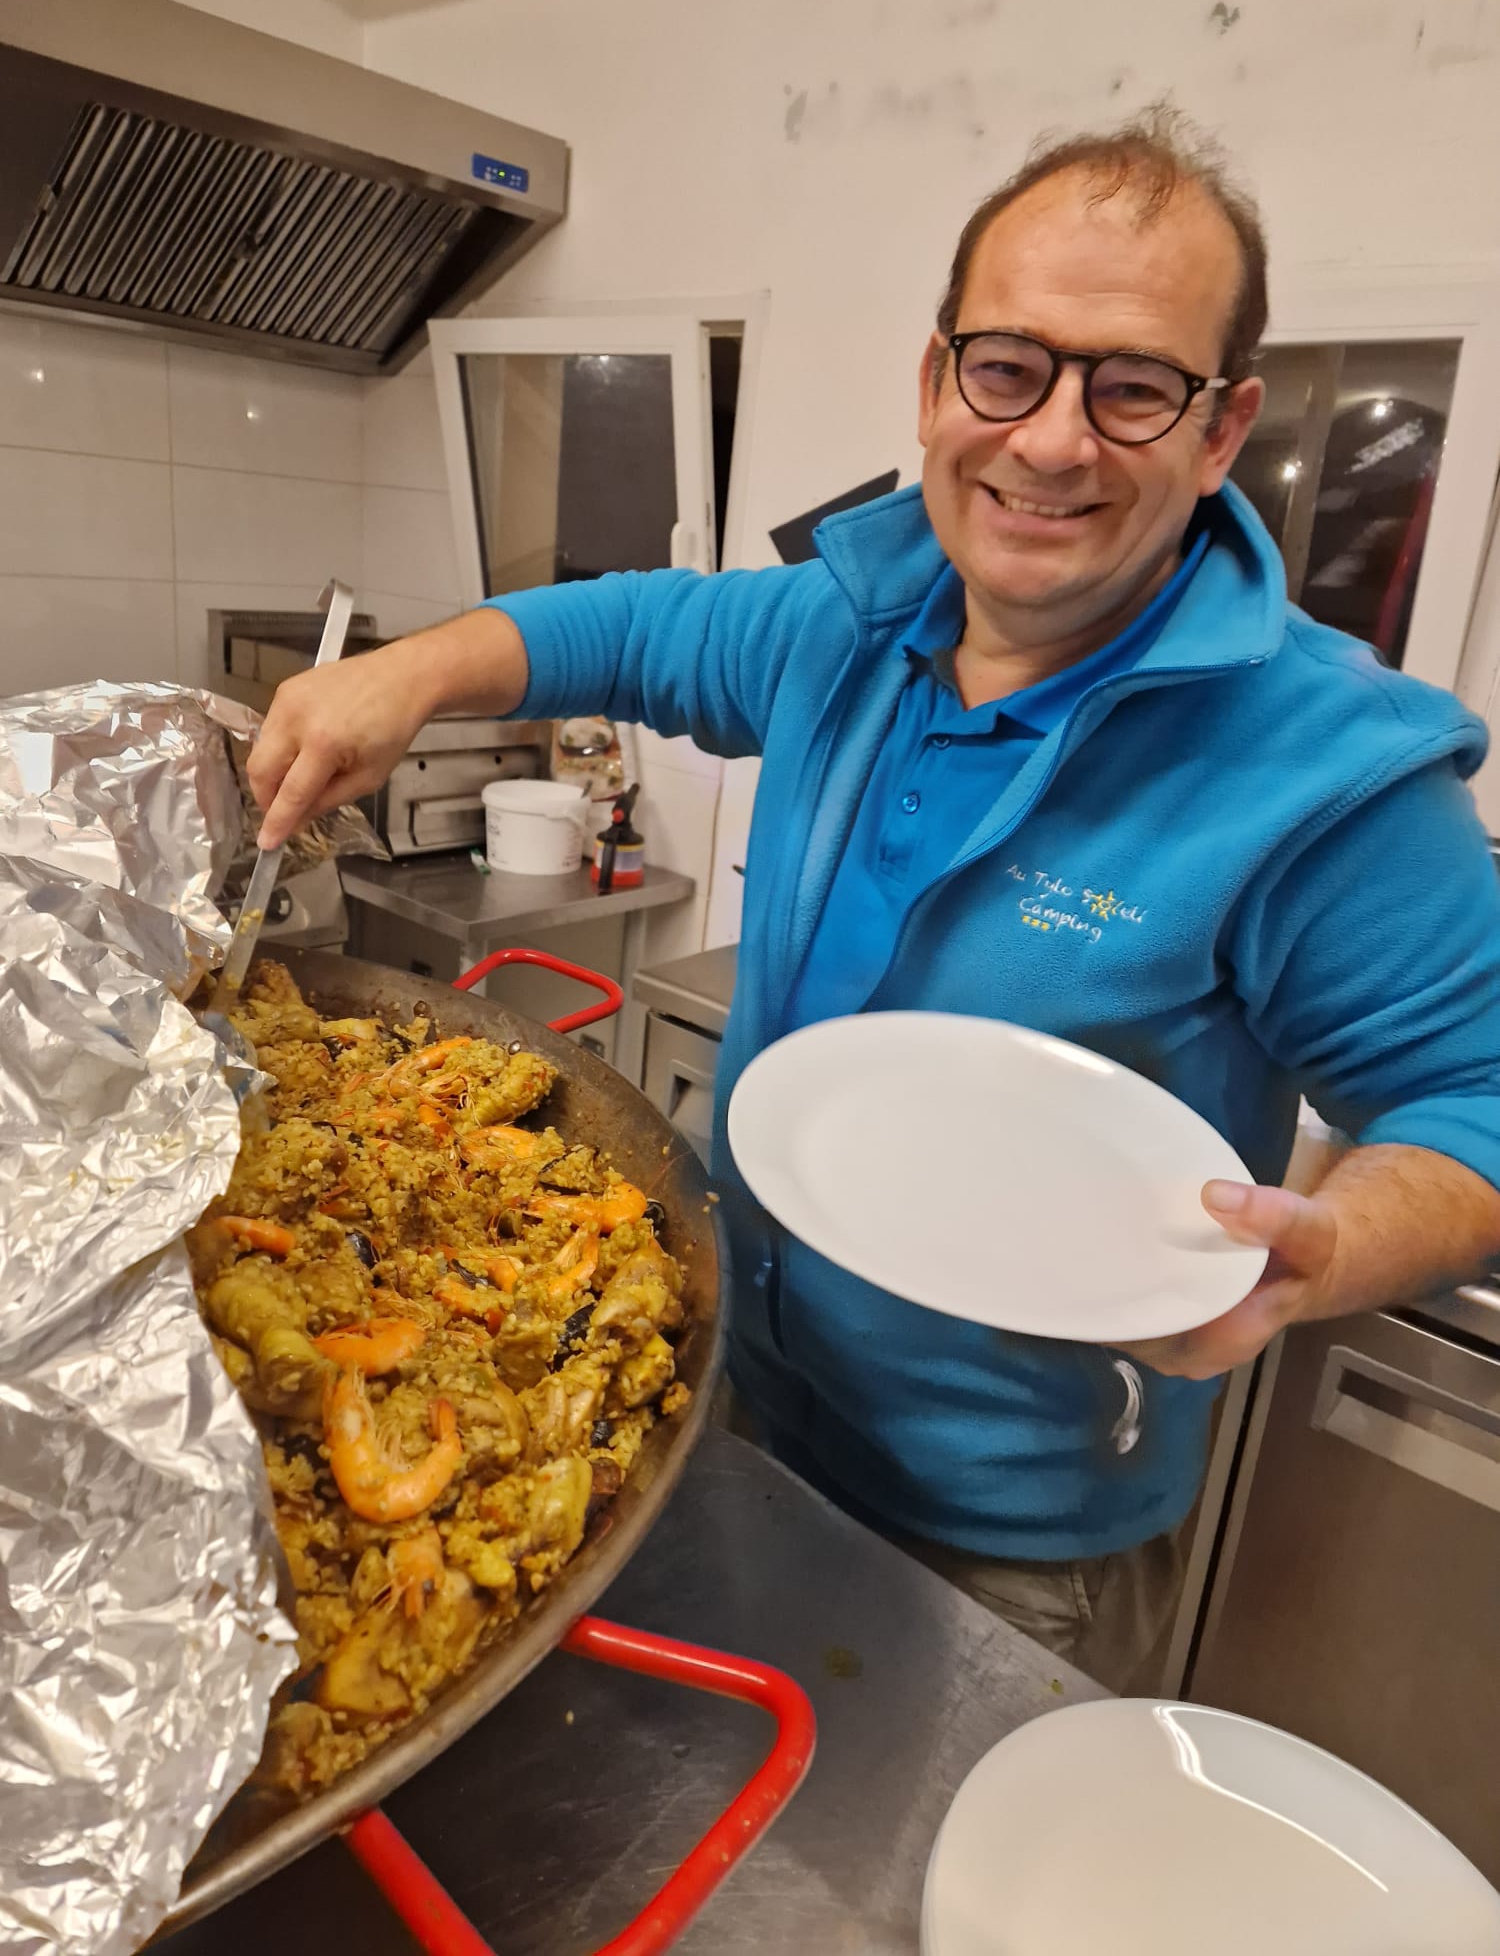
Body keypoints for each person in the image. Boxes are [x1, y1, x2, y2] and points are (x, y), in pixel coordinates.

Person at [249, 108, 1500, 1690]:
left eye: (1132, 387)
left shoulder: (1331, 769)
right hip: (724, 1391)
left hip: (1008, 1542)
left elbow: (1478, 1105)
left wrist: (1331, 1248)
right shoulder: (851, 615)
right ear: (935, 384)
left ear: (1221, 428)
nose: (1053, 441)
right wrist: (411, 673)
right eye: (1010, 367)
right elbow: (628, 628)